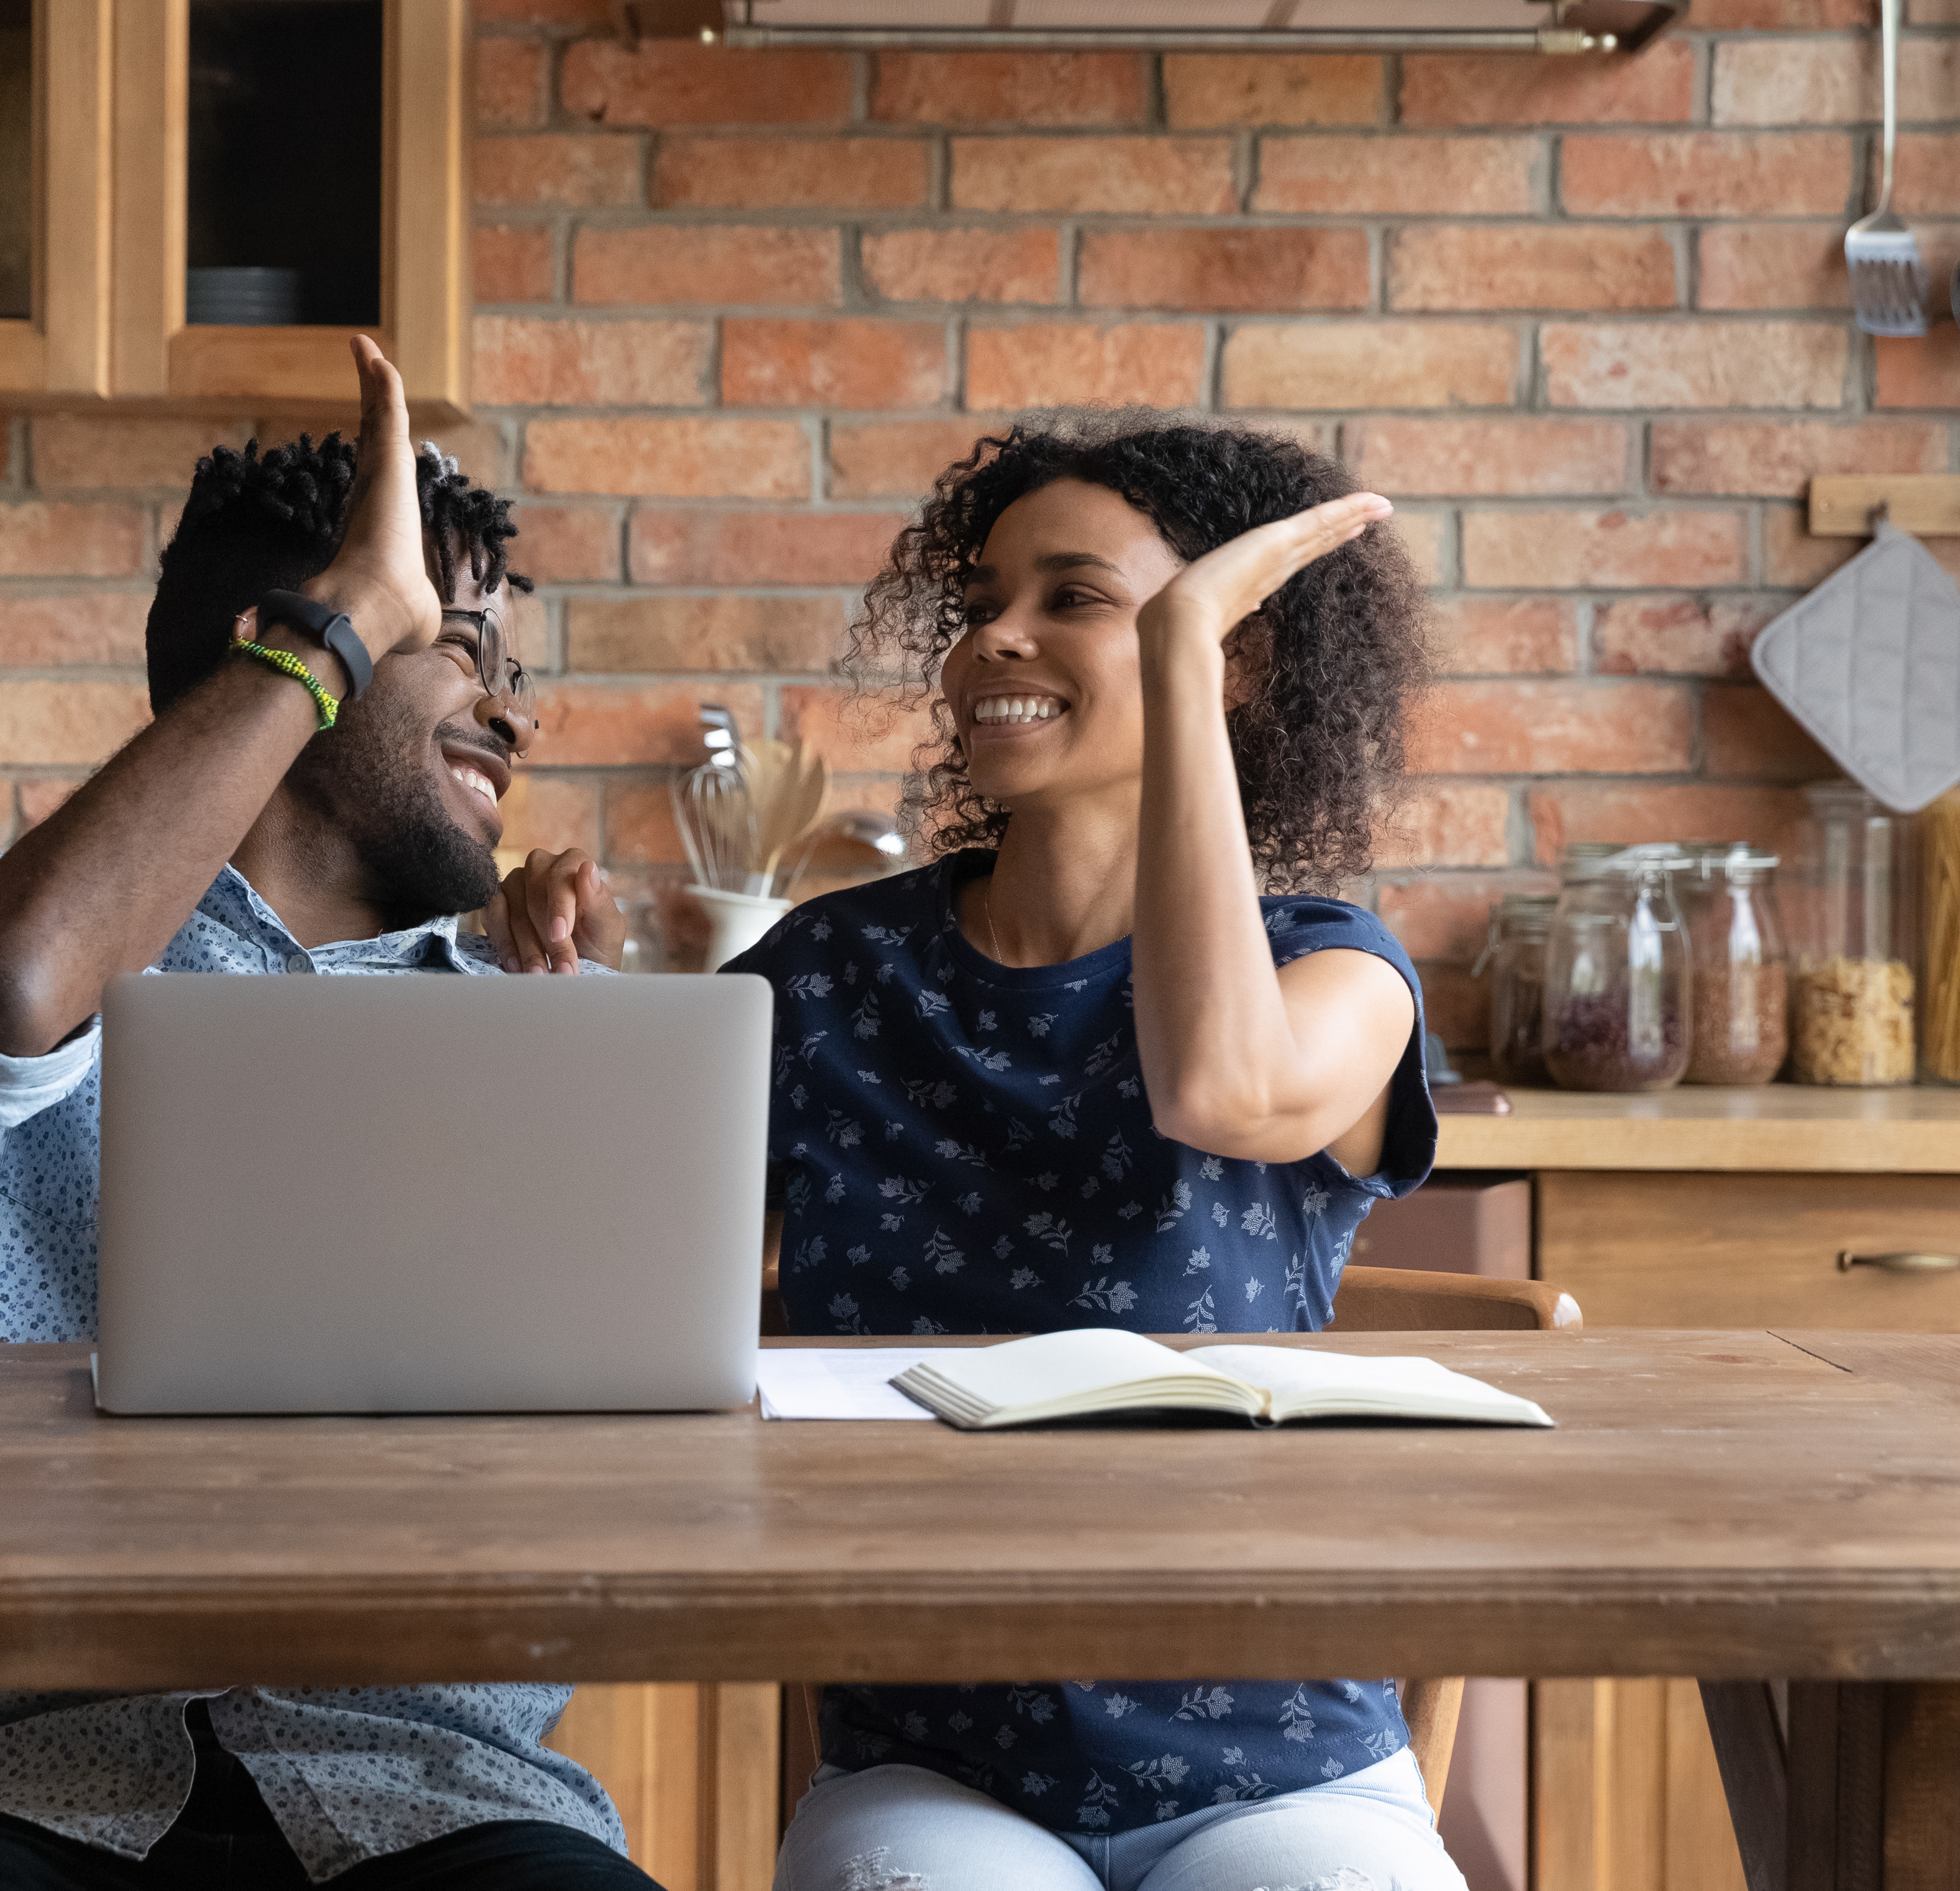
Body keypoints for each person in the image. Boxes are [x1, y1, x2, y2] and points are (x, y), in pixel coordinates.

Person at [514, 414, 1457, 1890]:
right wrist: (544, 1013)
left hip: (1291, 1758)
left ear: (1241, 667)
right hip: (935, 1759)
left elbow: (1221, 1085)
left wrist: (1193, 631)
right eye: (979, 604)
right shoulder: (824, 973)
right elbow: (602, 1288)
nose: (992, 641)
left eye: (1072, 598)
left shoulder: (1336, 970)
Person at [0, 339, 646, 1891]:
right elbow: (14, 997)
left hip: (436, 1794)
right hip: (13, 1780)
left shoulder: (539, 1005)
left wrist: (585, 1055)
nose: (515, 711)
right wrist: (343, 633)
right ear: (287, 644)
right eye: (458, 645)